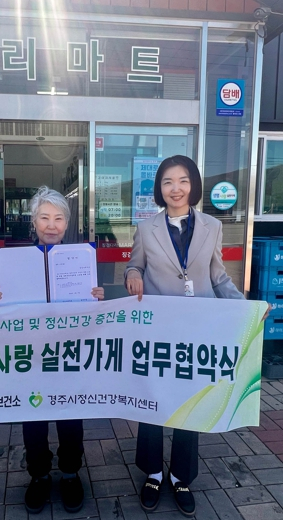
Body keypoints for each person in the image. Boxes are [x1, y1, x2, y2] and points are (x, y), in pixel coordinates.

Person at [125, 155, 245, 517]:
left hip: (197, 330)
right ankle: (152, 473)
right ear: (159, 189)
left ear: (193, 185)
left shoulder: (212, 225)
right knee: (152, 400)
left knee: (189, 403)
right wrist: (133, 275)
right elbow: (135, 264)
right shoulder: (147, 228)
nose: (175, 188)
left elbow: (218, 276)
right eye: (167, 182)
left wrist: (246, 307)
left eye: (182, 181)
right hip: (158, 331)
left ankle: (181, 476)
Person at [0, 186, 104, 514]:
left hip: (70, 352)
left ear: (67, 224)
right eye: (44, 218)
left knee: (71, 415)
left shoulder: (80, 261)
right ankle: (38, 475)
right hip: (32, 354)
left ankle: (70, 473)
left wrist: (97, 299)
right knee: (34, 416)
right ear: (33, 222)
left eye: (58, 218)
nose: (51, 225)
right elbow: (1, 310)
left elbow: (94, 313)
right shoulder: (13, 263)